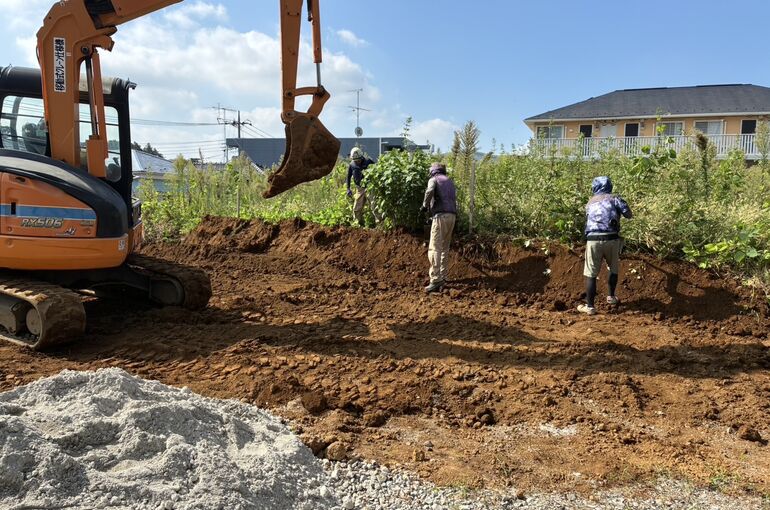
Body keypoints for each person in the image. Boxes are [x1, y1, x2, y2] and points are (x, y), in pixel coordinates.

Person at [578, 176, 633, 315]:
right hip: (611, 238)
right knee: (613, 268)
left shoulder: (590, 202)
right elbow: (628, 214)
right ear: (609, 186)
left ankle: (590, 307)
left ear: (594, 187)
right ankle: (611, 297)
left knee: (591, 273)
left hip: (593, 239)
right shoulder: (615, 198)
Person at [420, 162, 457, 293]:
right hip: (452, 216)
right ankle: (443, 275)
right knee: (445, 247)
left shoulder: (434, 179)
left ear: (433, 171)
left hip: (440, 216)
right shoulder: (450, 181)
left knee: (435, 248)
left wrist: (424, 206)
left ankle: (435, 280)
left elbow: (429, 191)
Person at [346, 147, 381, 226]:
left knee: (374, 207)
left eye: (358, 160)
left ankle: (380, 225)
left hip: (370, 187)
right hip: (359, 189)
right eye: (355, 160)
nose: (357, 162)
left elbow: (377, 171)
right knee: (356, 208)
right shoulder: (352, 165)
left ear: (361, 157)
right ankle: (357, 224)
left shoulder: (368, 162)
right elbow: (348, 177)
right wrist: (348, 188)